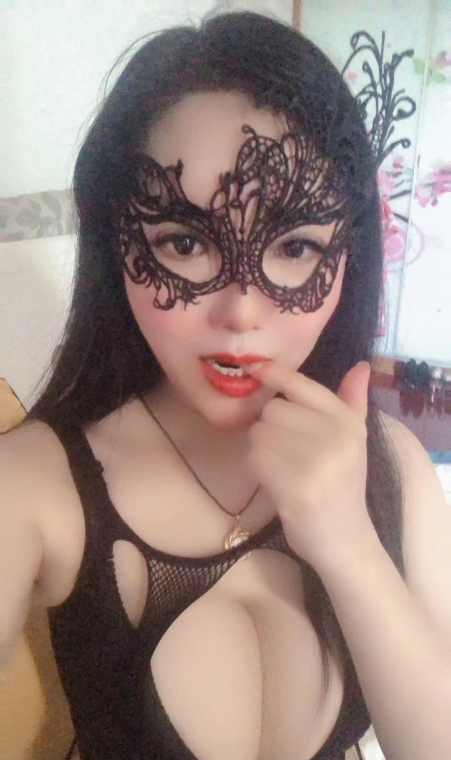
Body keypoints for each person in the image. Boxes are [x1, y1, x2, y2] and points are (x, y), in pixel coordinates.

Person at [1, 11, 450, 760]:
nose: (241, 312)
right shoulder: (31, 486)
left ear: (348, 254)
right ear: (118, 244)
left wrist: (348, 543)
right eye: (184, 242)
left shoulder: (394, 466)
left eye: (295, 246)